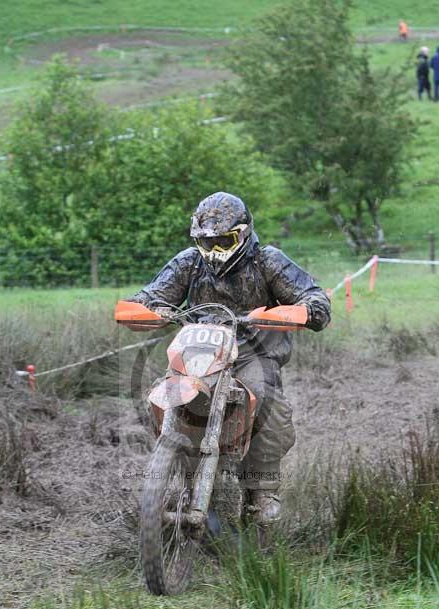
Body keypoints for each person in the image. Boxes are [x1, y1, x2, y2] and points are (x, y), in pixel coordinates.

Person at [127, 192, 331, 524]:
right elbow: (152, 295)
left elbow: (312, 295)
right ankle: (169, 465)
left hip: (252, 354)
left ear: (244, 233)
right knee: (164, 392)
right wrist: (142, 308)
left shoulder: (268, 261)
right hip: (198, 351)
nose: (215, 251)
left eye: (225, 241)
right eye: (208, 243)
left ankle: (261, 489)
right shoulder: (188, 263)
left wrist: (308, 309)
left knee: (262, 398)